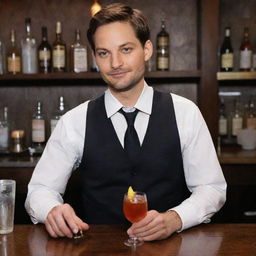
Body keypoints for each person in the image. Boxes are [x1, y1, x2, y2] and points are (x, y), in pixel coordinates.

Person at [25, 3, 226, 241]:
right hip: (98, 248)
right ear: (95, 58)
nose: (115, 63)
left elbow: (211, 188)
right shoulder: (74, 121)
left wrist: (175, 218)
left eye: (126, 49)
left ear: (147, 49)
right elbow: (40, 190)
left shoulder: (185, 113)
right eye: (104, 53)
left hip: (170, 248)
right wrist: (52, 210)